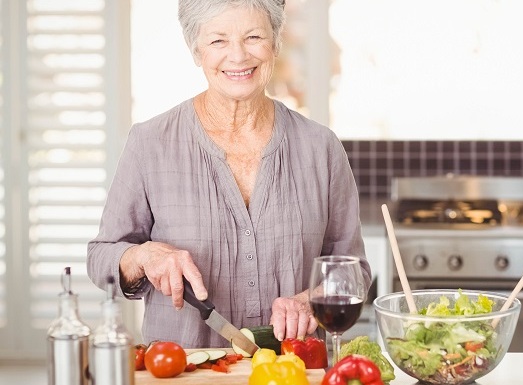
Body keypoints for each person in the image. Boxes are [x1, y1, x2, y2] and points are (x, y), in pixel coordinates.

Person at [86, 0, 370, 349]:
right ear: (196, 50)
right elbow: (101, 256)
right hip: (184, 368)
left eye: (253, 37)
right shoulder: (150, 143)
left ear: (275, 42)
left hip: (294, 368)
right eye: (218, 40)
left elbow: (354, 272)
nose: (238, 56)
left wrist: (311, 300)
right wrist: (144, 256)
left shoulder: (321, 147)